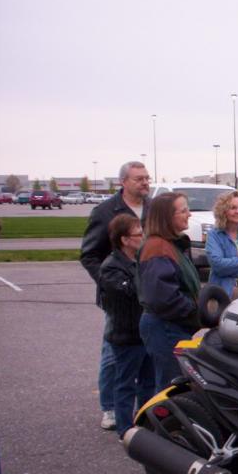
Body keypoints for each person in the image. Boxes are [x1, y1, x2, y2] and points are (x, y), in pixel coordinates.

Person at [80, 161, 151, 431]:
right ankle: (109, 407)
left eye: (147, 178)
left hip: (146, 294)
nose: (145, 183)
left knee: (146, 357)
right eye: (138, 179)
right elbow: (89, 255)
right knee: (113, 354)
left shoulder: (152, 208)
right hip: (119, 299)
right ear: (123, 182)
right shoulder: (105, 211)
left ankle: (144, 410)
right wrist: (113, 284)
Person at [137, 193, 201, 393]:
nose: (189, 214)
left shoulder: (172, 245)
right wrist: (198, 312)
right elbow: (164, 299)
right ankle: (164, 424)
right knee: (170, 388)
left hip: (172, 325)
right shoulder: (158, 248)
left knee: (173, 383)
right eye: (183, 211)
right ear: (167, 217)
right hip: (165, 327)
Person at [98, 214, 155, 439]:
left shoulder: (138, 261)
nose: (142, 237)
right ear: (124, 239)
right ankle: (125, 429)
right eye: (138, 234)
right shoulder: (111, 267)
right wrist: (146, 270)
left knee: (148, 382)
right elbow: (131, 292)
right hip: (126, 336)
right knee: (125, 384)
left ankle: (147, 423)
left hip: (144, 333)